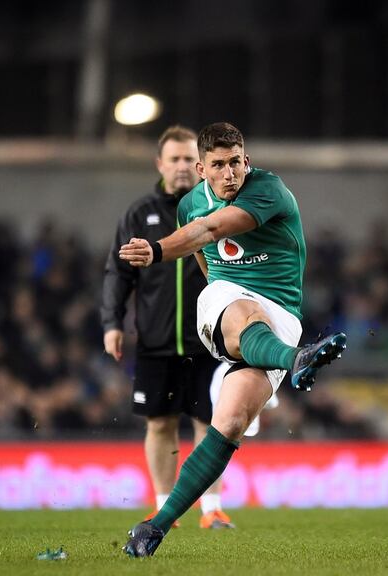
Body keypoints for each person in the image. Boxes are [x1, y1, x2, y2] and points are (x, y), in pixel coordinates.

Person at [118, 122, 347, 557]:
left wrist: (159, 249)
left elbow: (213, 231)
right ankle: (295, 360)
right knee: (237, 305)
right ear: (202, 169)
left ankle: (152, 529)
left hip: (280, 317)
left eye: (235, 162)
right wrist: (170, 259)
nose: (229, 174)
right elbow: (203, 252)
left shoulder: (268, 189)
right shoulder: (189, 205)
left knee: (230, 422)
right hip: (227, 302)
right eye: (218, 165)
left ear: (247, 161)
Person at [101, 125, 235, 530]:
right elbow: (118, 272)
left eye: (186, 159)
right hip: (156, 341)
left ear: (199, 164)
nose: (180, 167)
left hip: (210, 340)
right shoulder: (140, 214)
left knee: (211, 425)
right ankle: (164, 508)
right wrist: (111, 322)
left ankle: (210, 509)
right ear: (160, 164)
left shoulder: (217, 209)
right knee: (159, 423)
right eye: (172, 159)